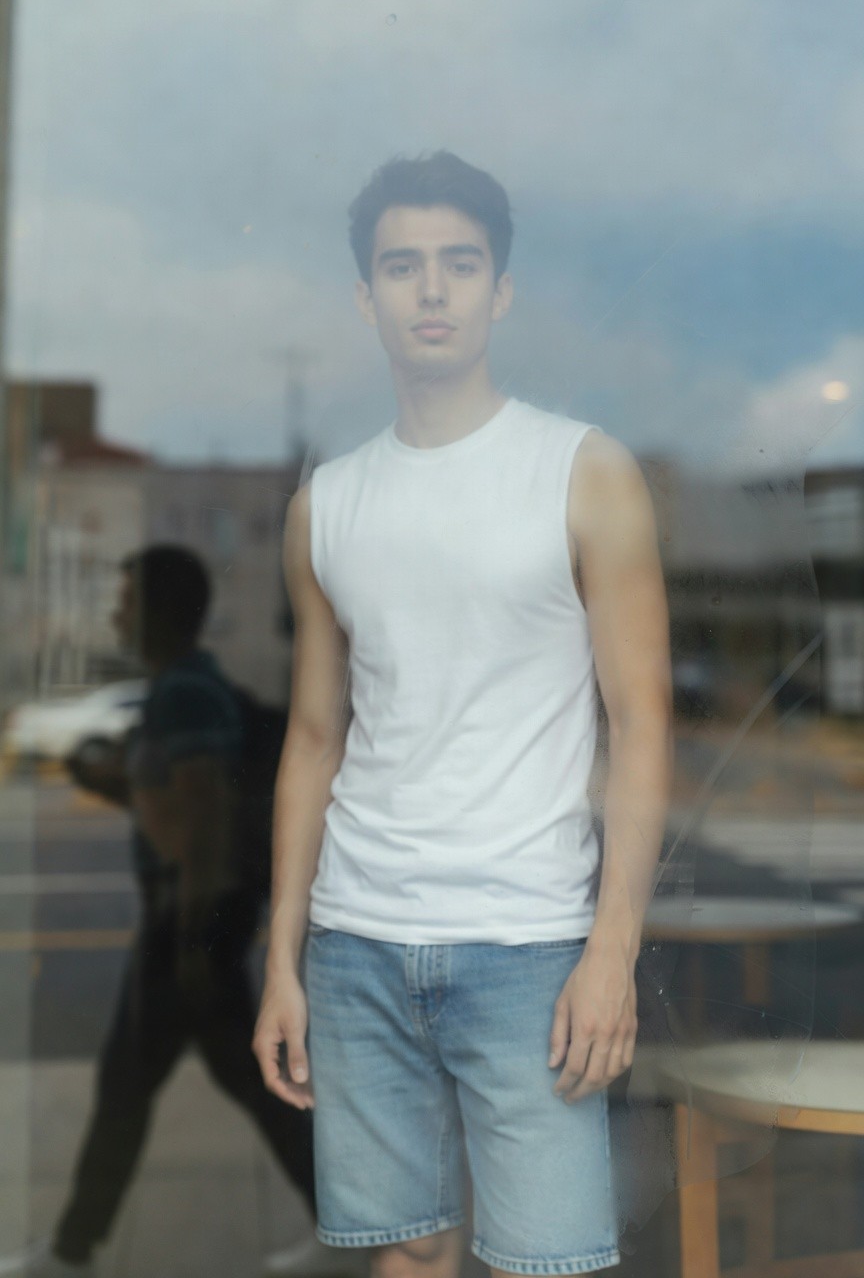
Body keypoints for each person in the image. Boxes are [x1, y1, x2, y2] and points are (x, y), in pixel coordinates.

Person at [254, 152, 672, 1278]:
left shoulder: (583, 473)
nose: (430, 290)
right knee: (409, 1259)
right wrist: (285, 956)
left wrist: (612, 952)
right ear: (365, 297)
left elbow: (641, 728)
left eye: (458, 264)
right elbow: (311, 739)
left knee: (554, 1262)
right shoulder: (325, 506)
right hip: (357, 943)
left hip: (530, 946)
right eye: (402, 266)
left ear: (501, 289)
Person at [20, 546, 319, 1278]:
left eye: (125, 600)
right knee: (245, 1088)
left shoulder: (184, 695)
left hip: (191, 922)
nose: (116, 612)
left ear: (158, 610)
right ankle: (350, 1223)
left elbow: (208, 820)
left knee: (135, 1089)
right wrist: (120, 786)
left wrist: (190, 945)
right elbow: (179, 813)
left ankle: (71, 1252)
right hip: (195, 920)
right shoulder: (184, 689)